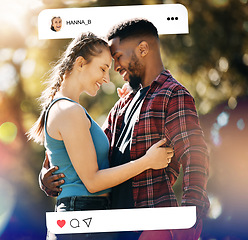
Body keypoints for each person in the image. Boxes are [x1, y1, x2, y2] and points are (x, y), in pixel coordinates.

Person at [40, 19, 210, 240]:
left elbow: (195, 155)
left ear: (142, 49)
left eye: (117, 57)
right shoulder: (122, 103)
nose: (115, 67)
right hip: (113, 225)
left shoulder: (172, 94)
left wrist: (191, 218)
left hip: (150, 223)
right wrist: (45, 176)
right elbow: (89, 154)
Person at [27, 32, 174, 240]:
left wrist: (127, 103)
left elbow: (92, 155)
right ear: (80, 63)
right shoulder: (69, 112)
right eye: (103, 68)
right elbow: (93, 182)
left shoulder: (69, 110)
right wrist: (147, 162)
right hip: (82, 221)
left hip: (87, 219)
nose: (106, 79)